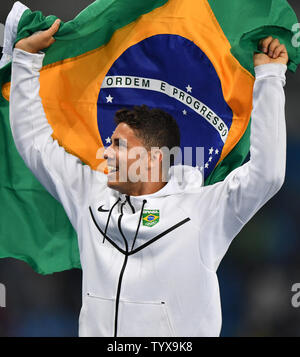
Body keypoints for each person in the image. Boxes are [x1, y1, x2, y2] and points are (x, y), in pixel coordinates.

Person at [9, 19, 289, 337]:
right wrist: (26, 59)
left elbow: (268, 174)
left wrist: (269, 77)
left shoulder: (204, 211)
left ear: (155, 159)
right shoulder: (89, 194)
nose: (106, 153)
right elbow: (35, 142)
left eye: (119, 146)